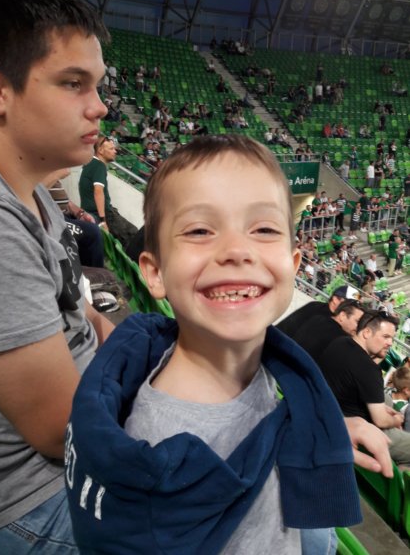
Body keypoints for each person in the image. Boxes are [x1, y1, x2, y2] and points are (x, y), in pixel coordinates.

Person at [66, 135, 362, 554]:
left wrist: (325, 423)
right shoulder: (164, 451)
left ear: (294, 264)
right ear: (155, 272)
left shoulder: (253, 363)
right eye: (200, 230)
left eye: (264, 229)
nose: (237, 250)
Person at [0, 0, 116, 552]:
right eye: (74, 84)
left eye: (97, 85)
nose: (99, 106)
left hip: (71, 460)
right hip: (30, 502)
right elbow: (60, 429)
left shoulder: (28, 191)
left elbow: (87, 318)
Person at [318, 311, 410, 467]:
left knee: (386, 400)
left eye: (392, 338)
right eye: (385, 337)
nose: (390, 343)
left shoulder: (340, 342)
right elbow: (380, 420)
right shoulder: (368, 369)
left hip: (330, 410)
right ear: (367, 332)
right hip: (349, 430)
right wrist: (396, 420)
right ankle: (391, 480)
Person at [79, 135, 138, 248]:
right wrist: (102, 220)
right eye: (111, 149)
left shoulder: (89, 164)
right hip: (103, 214)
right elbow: (98, 191)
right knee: (134, 235)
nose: (115, 151)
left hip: (92, 212)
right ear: (100, 151)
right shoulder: (99, 166)